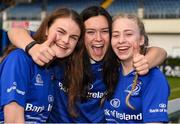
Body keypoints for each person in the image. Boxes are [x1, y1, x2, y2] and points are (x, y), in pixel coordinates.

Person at [7, 6, 167, 122]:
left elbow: (157, 51)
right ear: (81, 37)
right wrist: (32, 47)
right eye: (90, 32)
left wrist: (148, 60)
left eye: (105, 31)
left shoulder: (115, 64)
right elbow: (15, 32)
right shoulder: (64, 54)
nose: (98, 38)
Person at [0, 7, 84, 123]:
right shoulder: (19, 59)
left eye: (73, 37)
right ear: (46, 30)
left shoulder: (57, 67)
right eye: (61, 32)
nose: (66, 40)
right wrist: (32, 47)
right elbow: (13, 121)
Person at [103, 13, 170, 123]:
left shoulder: (154, 78)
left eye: (128, 34)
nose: (121, 40)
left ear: (141, 40)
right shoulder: (111, 71)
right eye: (115, 35)